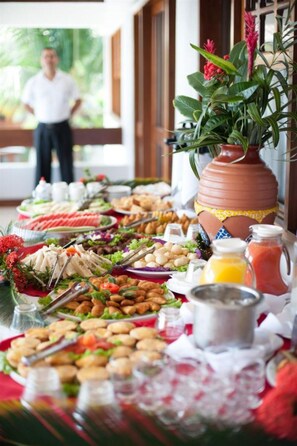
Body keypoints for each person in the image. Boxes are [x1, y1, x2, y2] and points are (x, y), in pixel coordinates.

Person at [22, 47, 82, 186]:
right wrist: (37, 114)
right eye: (46, 56)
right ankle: (42, 199)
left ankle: (69, 197)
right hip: (42, 127)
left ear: (57, 59)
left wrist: (69, 114)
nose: (49, 59)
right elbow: (25, 103)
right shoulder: (34, 81)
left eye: (52, 56)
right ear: (41, 60)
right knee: (42, 164)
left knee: (66, 163)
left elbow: (78, 100)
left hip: (63, 126)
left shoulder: (67, 79)